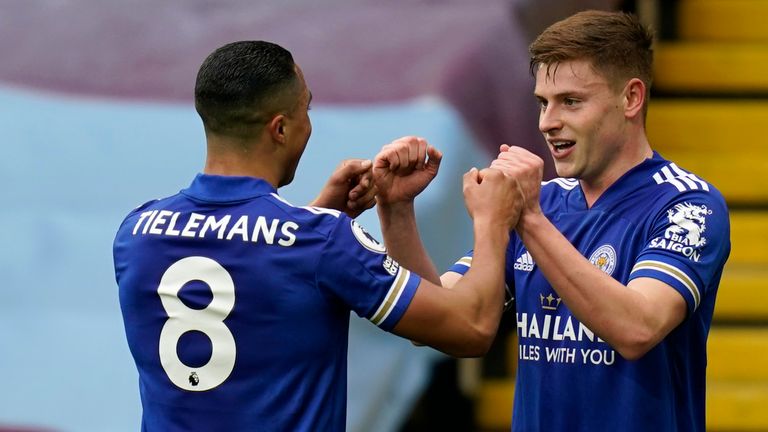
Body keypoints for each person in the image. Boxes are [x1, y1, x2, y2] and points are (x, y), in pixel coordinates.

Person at [113, 40, 522, 431]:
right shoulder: (322, 241)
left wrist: (324, 214)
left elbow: (252, 268)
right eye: (305, 108)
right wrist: (492, 220)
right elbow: (469, 330)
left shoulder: (136, 232)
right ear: (279, 128)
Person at [374, 10, 731, 431]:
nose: (547, 122)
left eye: (571, 102)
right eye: (543, 102)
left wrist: (529, 218)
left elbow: (637, 327)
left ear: (631, 98)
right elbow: (438, 320)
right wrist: (396, 211)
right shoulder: (543, 203)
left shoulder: (687, 205)